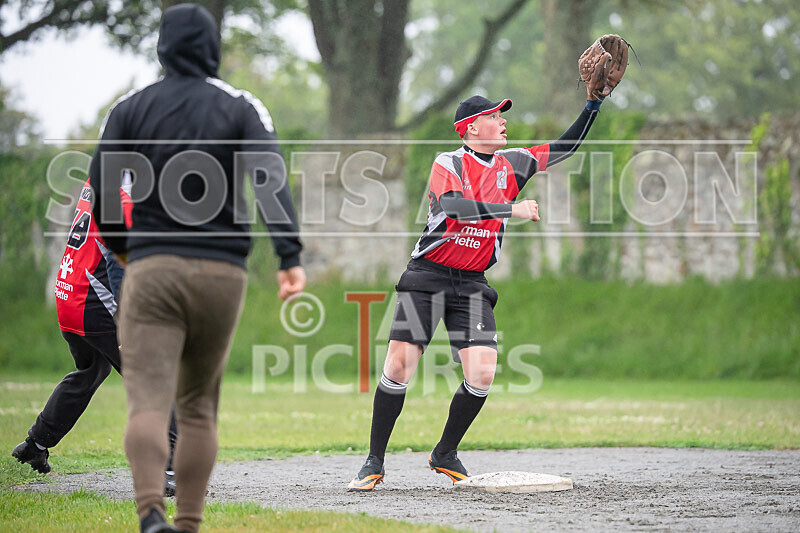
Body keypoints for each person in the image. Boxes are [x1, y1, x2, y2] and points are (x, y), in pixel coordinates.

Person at [89, 4, 305, 533]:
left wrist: (123, 250)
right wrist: (289, 257)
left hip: (152, 266)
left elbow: (102, 193)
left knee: (146, 401)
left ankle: (149, 516)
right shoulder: (240, 105)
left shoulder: (129, 108)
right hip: (222, 273)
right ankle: (188, 523)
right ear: (212, 47)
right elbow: (270, 179)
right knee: (199, 405)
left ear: (162, 47)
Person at [347, 91, 606, 490]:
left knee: (482, 373)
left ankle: (445, 452)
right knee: (399, 366)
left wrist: (593, 103)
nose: (503, 121)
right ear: (471, 128)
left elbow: (567, 145)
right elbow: (454, 208)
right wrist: (511, 210)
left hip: (471, 283)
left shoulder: (514, 162)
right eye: (494, 116)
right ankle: (373, 461)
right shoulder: (448, 162)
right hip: (427, 276)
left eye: (503, 115)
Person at [11, 176, 179, 496]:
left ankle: (36, 443)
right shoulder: (124, 197)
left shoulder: (100, 178)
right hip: (95, 304)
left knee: (91, 370)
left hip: (69, 298)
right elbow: (120, 264)